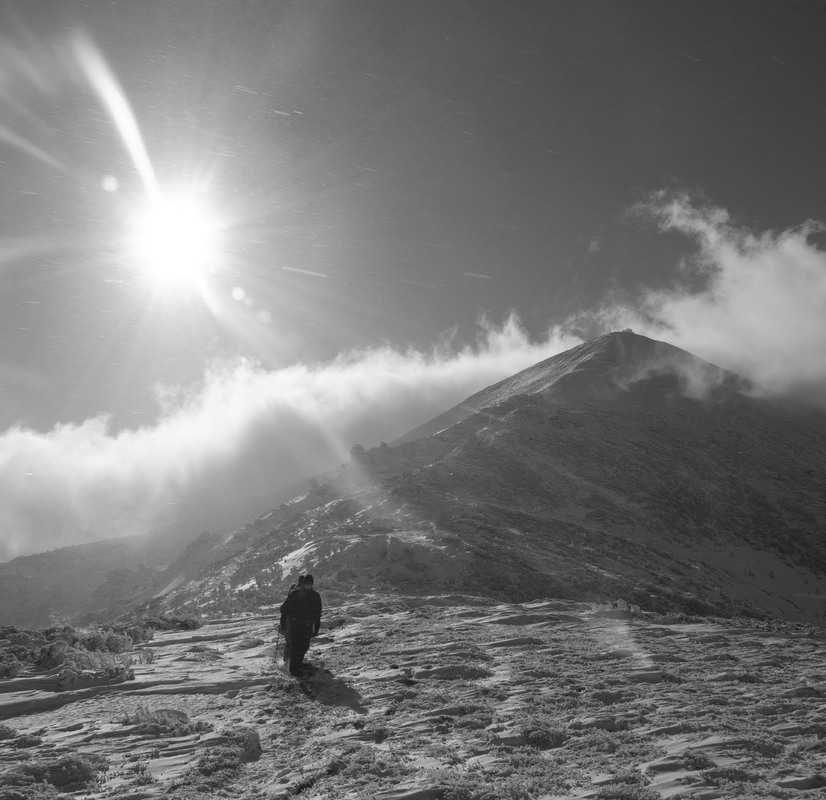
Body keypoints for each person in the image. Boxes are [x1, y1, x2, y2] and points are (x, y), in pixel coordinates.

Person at [278, 573, 322, 675]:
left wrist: (317, 627)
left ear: (312, 584)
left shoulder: (315, 596)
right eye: (306, 583)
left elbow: (317, 613)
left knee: (305, 645)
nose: (308, 585)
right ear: (303, 583)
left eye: (310, 584)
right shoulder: (295, 594)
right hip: (295, 624)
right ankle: (293, 669)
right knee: (295, 645)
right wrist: (283, 623)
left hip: (308, 625)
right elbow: (284, 608)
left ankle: (299, 663)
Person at [279, 575, 305, 668]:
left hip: (290, 620)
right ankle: (289, 662)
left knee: (291, 642)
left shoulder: (294, 592)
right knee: (293, 642)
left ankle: (288, 661)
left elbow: (283, 609)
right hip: (291, 621)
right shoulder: (296, 593)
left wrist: (282, 624)